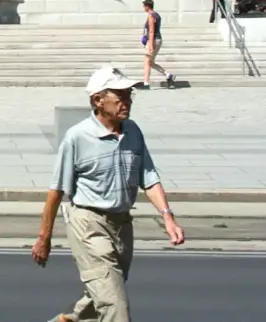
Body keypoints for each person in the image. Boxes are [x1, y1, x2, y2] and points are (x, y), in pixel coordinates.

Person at [32, 65, 184, 322]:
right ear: (98, 101)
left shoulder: (133, 131)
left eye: (129, 96)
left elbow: (149, 178)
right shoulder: (77, 137)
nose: (127, 102)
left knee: (100, 297)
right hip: (89, 225)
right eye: (120, 96)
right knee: (115, 307)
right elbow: (56, 191)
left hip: (122, 226)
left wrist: (168, 218)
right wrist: (44, 239)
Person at [138, 0, 173, 89]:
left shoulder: (151, 16)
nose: (143, 8)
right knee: (151, 62)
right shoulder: (157, 15)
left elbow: (152, 31)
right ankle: (168, 75)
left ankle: (146, 83)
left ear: (147, 6)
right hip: (157, 39)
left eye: (144, 6)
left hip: (153, 40)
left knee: (147, 62)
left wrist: (150, 44)